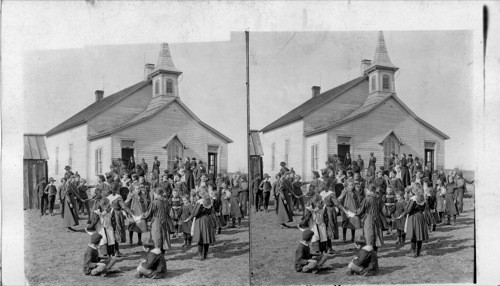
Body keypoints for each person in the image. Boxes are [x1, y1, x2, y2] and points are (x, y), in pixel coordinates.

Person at [349, 184, 385, 251]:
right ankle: (375, 252)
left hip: (369, 219)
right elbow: (385, 210)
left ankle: (370, 253)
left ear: (370, 190)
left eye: (367, 190)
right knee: (376, 235)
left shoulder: (367, 199)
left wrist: (354, 212)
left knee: (369, 236)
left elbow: (361, 210)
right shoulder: (378, 199)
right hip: (377, 219)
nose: (366, 191)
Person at [395, 187, 429, 258]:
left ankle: (413, 252)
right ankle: (418, 252)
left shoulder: (413, 198)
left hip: (413, 217)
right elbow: (423, 208)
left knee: (413, 235)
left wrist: (402, 215)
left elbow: (408, 209)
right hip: (420, 216)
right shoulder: (423, 198)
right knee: (419, 235)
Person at [184, 190, 216, 260]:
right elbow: (210, 211)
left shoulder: (200, 201)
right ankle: (205, 255)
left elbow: (195, 212)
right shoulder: (209, 201)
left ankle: (200, 255)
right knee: (206, 238)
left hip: (200, 220)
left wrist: (189, 218)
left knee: (200, 238)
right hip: (207, 219)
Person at [140, 188, 172, 254]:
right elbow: (171, 212)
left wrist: (141, 216)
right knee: (163, 236)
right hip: (165, 221)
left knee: (156, 237)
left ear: (157, 194)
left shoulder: (155, 202)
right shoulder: (166, 201)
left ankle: (157, 253)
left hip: (156, 221)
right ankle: (162, 253)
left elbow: (149, 213)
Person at [338, 178, 361, 243]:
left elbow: (358, 200)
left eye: (352, 185)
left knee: (353, 223)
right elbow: (340, 198)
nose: (351, 186)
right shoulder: (345, 191)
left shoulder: (355, 192)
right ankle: (344, 237)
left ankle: (353, 237)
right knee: (345, 222)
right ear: (347, 185)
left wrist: (358, 207)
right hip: (346, 209)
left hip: (353, 209)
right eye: (350, 185)